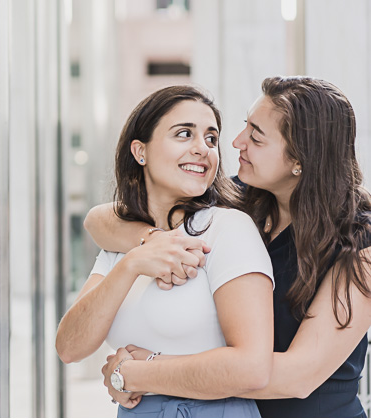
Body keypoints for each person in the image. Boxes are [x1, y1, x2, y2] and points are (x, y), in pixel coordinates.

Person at [86, 76, 371, 417]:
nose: (236, 142)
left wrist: (140, 372)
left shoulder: (360, 244)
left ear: (301, 159)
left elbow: (299, 376)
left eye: (256, 137)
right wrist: (153, 242)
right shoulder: (236, 200)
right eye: (244, 127)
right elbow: (99, 220)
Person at [56, 85, 274, 417]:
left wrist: (136, 374)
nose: (203, 148)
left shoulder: (228, 228)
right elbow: (70, 347)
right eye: (184, 134)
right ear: (140, 151)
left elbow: (253, 367)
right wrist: (132, 263)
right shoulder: (126, 242)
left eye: (211, 139)